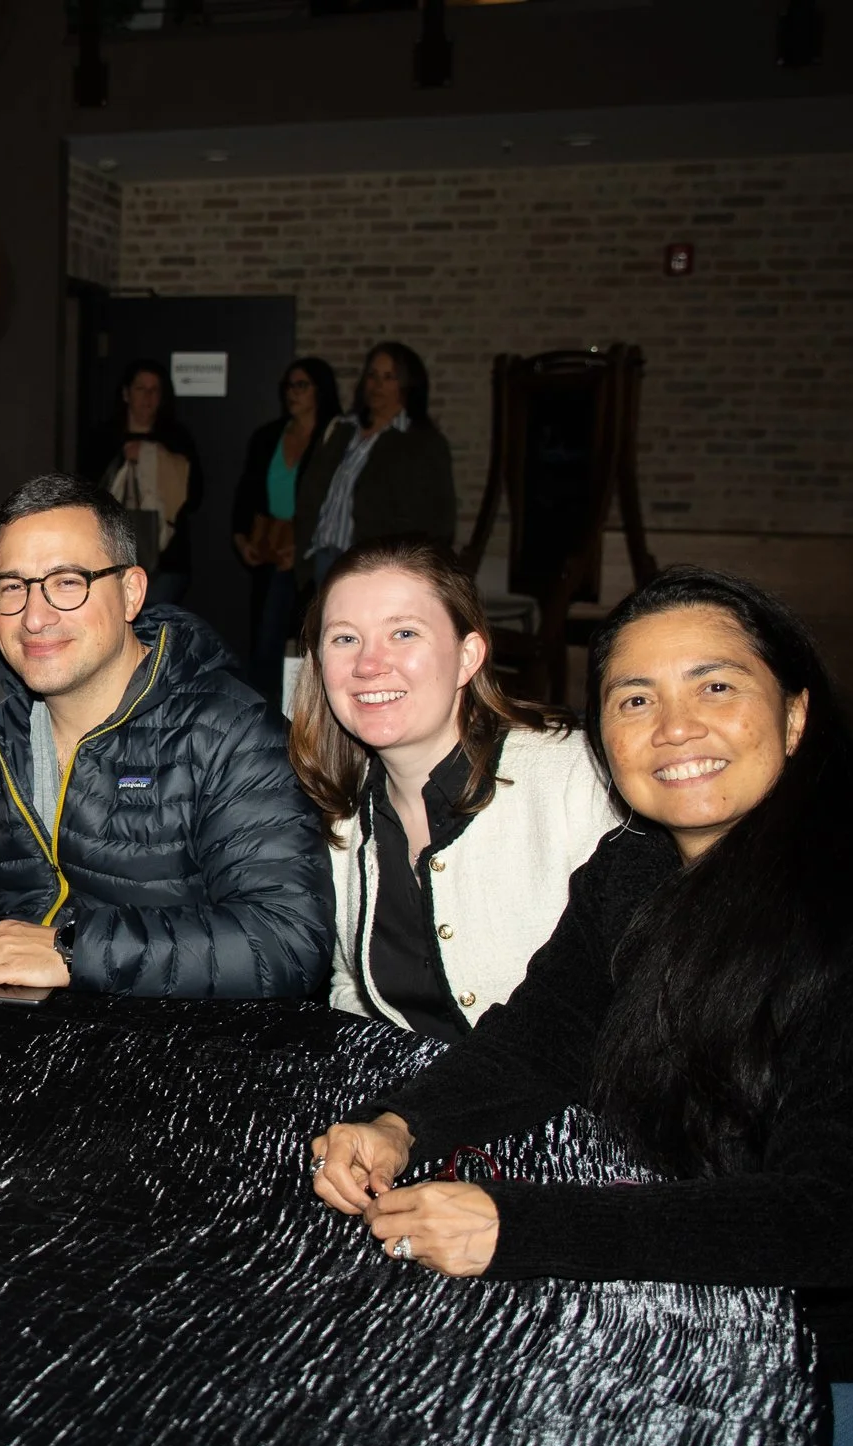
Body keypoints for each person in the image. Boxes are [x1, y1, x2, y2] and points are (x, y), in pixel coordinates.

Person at [307, 567, 853, 1446]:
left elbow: (825, 1222)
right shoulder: (635, 870)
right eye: (633, 697)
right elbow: (541, 1035)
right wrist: (403, 1121)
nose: (674, 725)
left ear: (792, 713)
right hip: (745, 1342)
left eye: (715, 686)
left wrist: (518, 1225)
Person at [0, 473, 331, 999]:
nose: (35, 616)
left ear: (131, 591)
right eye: (13, 587)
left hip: (191, 1051)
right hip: (35, 1038)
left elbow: (285, 939)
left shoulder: (228, 730)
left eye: (67, 582)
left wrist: (72, 950)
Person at [291, 541, 619, 1036]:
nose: (369, 664)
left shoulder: (573, 777)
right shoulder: (340, 809)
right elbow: (351, 987)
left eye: (403, 633)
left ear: (468, 657)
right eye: (344, 639)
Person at [293, 341, 457, 591]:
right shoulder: (342, 430)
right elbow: (310, 494)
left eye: (389, 377)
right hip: (324, 559)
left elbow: (439, 520)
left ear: (407, 384)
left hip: (378, 568)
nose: (377, 385)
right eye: (372, 375)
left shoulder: (422, 442)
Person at [229, 357, 340, 698]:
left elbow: (334, 500)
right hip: (271, 544)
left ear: (319, 391)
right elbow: (247, 490)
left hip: (312, 549)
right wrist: (241, 535)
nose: (293, 393)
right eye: (289, 386)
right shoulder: (268, 436)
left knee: (310, 640)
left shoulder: (334, 437)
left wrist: (305, 545)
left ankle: (306, 721)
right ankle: (263, 722)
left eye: (301, 385)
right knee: (266, 642)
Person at [88, 360, 201, 596]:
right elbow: (88, 490)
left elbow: (195, 495)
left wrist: (154, 458)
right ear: (126, 393)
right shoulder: (104, 438)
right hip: (111, 557)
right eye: (141, 388)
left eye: (154, 390)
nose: (148, 397)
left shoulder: (176, 439)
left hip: (167, 559)